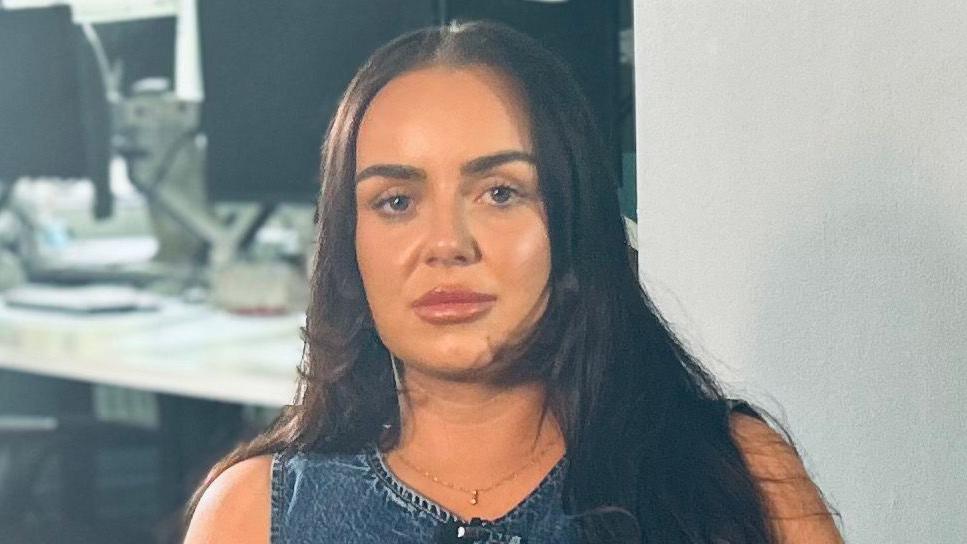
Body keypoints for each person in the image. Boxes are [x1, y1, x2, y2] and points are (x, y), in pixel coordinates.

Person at [184, 21, 843, 544]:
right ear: (347, 247)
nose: (447, 244)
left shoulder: (734, 478)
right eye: (395, 201)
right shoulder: (254, 517)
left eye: (500, 192)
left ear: (572, 219)